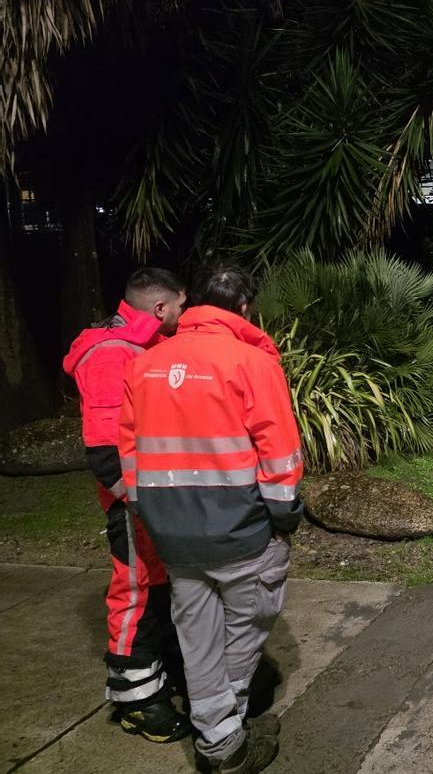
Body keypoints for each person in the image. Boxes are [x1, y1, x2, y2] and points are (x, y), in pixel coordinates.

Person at [119, 263, 304, 773]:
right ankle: (223, 740)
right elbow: (279, 454)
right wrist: (286, 518)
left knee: (196, 635)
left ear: (193, 302)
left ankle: (217, 731)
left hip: (172, 534)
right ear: (244, 309)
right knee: (243, 633)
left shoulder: (146, 364)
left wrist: (147, 513)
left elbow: (129, 451)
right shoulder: (252, 362)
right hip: (241, 533)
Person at [62, 268, 191, 743]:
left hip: (153, 499)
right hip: (135, 504)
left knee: (157, 589)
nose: (184, 313)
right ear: (160, 308)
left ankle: (161, 675)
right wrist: (136, 504)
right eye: (180, 305)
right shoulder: (112, 354)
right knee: (135, 591)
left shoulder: (140, 346)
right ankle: (137, 702)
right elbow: (105, 452)